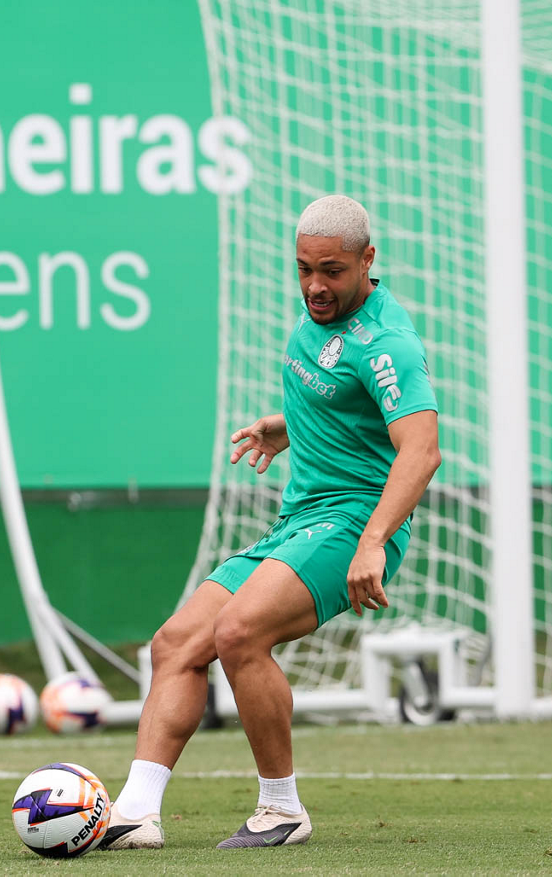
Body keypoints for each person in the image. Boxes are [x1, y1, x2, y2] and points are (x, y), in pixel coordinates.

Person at [102, 195, 442, 850]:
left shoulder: (388, 344)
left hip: (351, 524)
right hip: (299, 520)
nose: (316, 285)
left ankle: (281, 807)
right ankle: (135, 812)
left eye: (333, 271)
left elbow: (421, 450)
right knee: (175, 643)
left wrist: (372, 541)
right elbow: (347, 403)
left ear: (368, 260)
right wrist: (286, 427)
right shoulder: (322, 317)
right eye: (304, 269)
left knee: (237, 633)